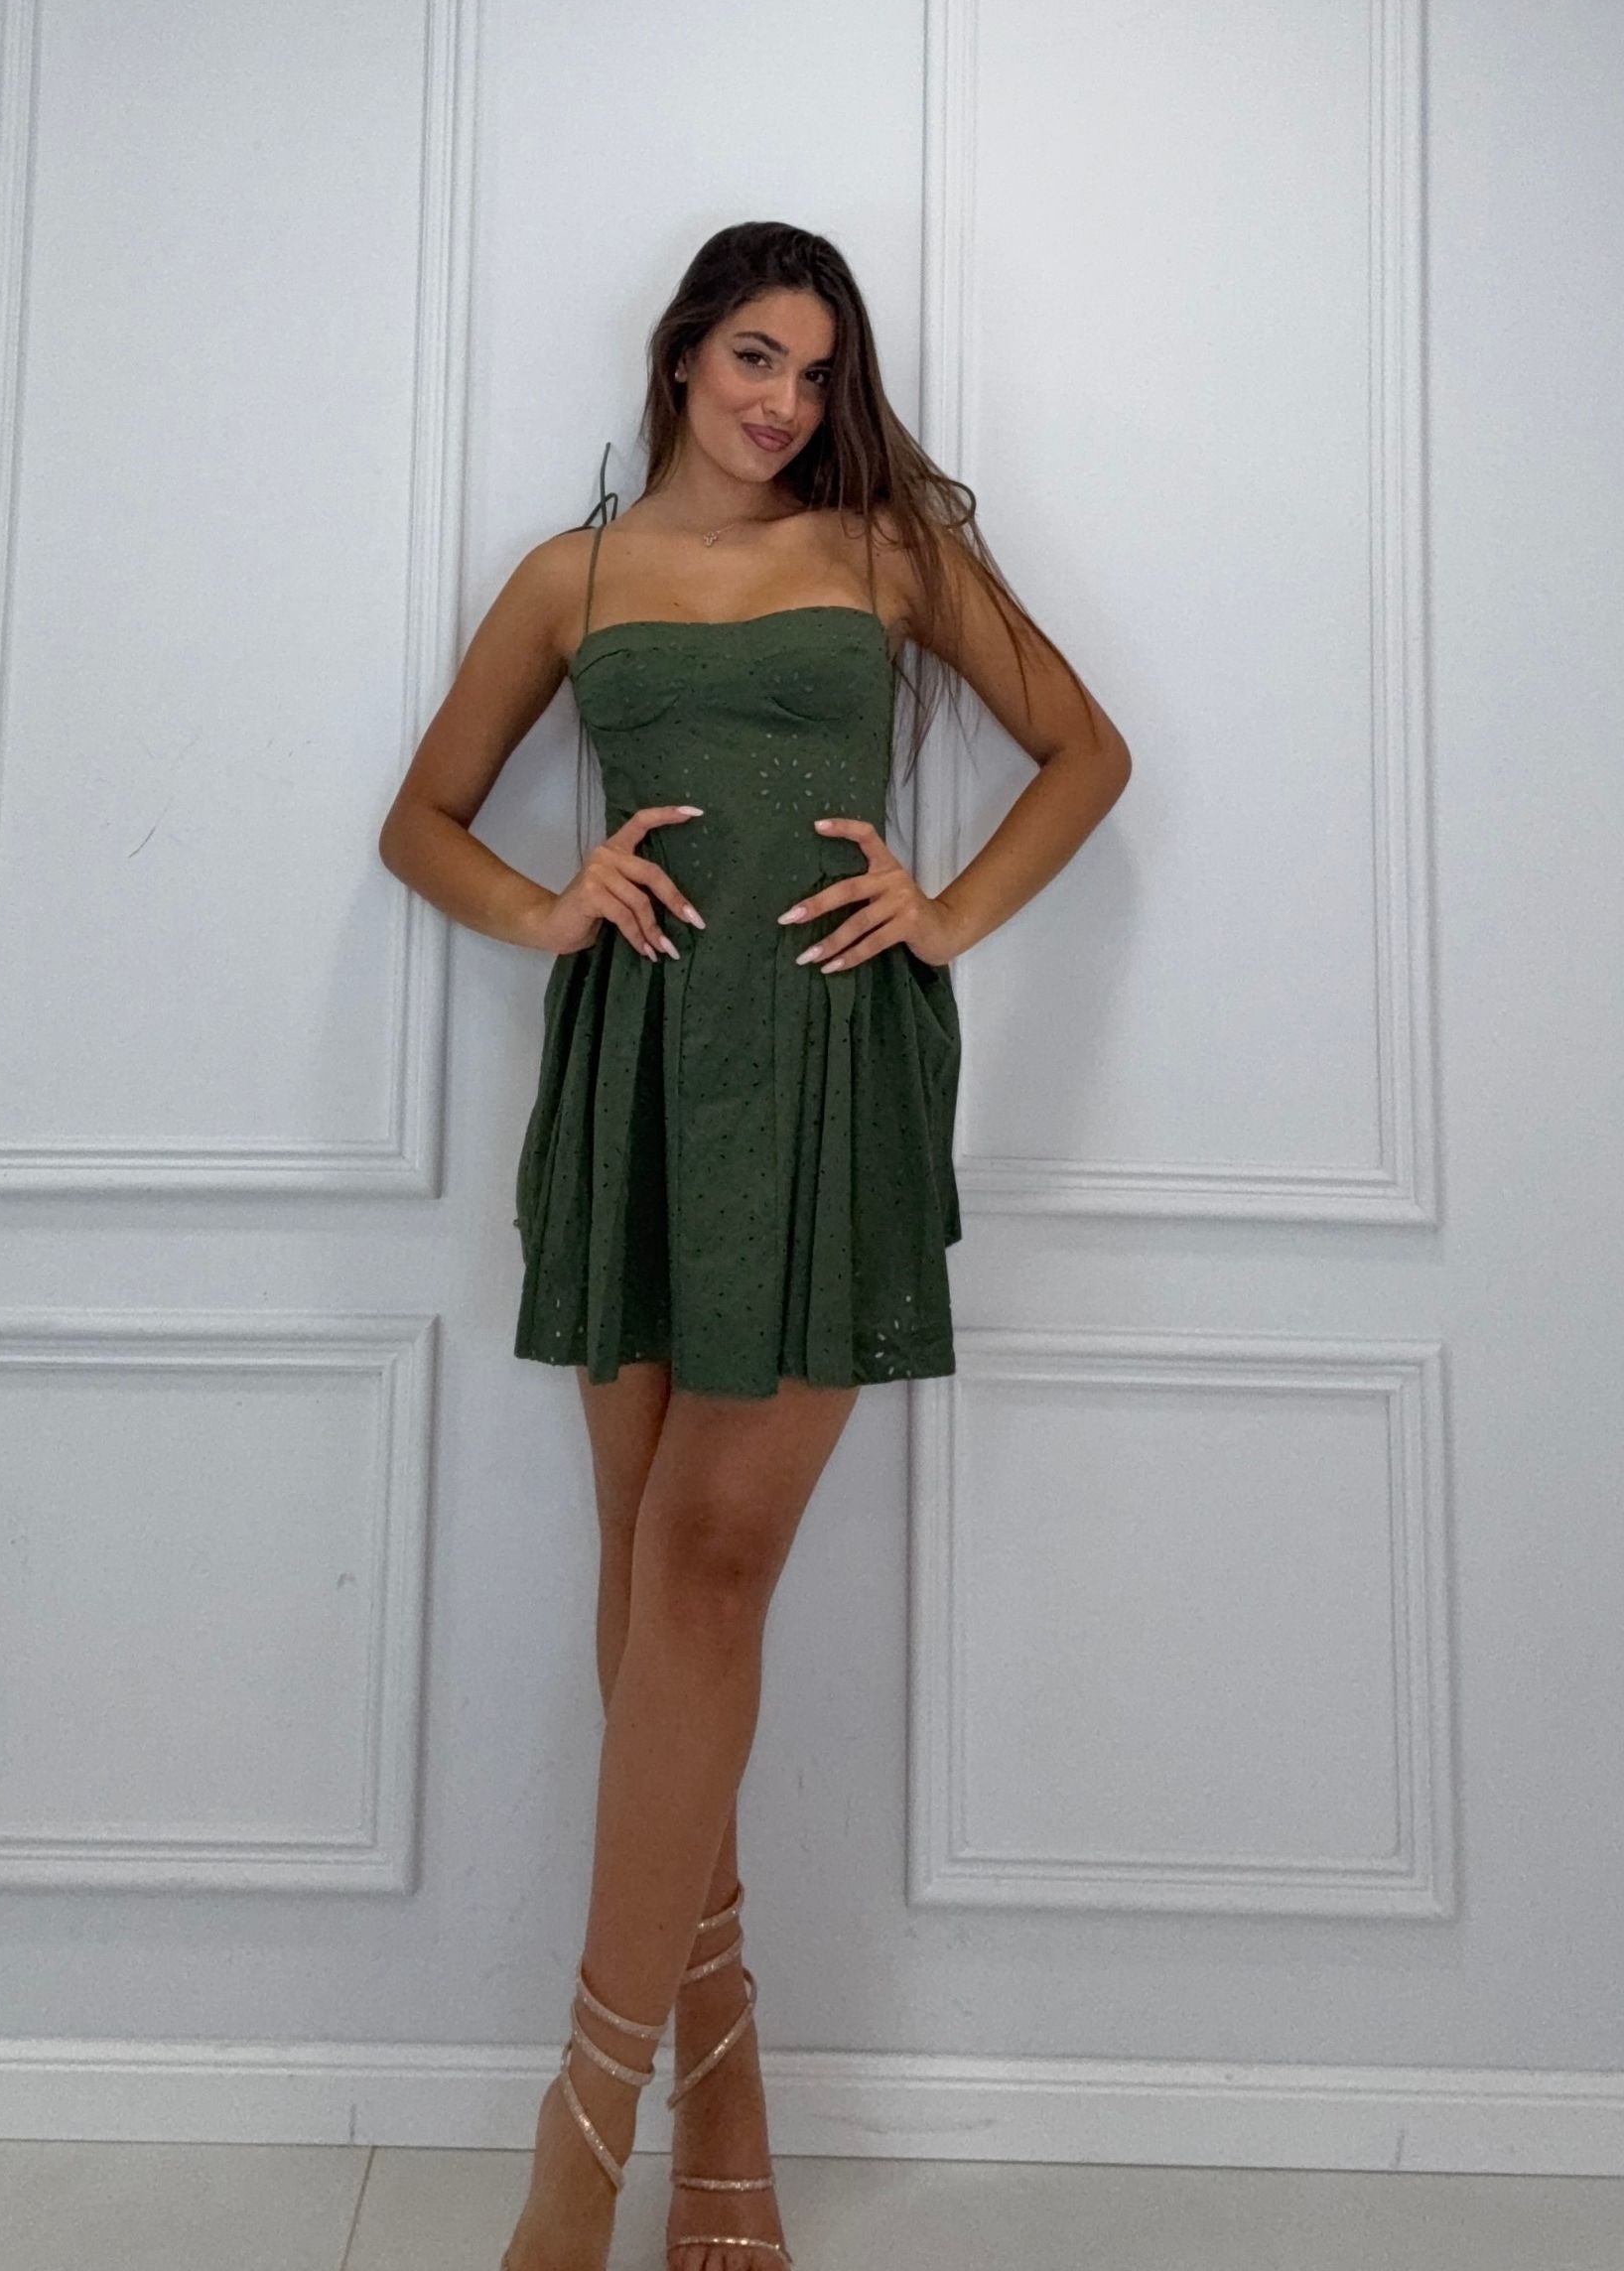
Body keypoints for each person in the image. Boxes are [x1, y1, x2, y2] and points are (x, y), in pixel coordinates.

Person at [379, 220, 1131, 2271]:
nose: (786, 403)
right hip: (635, 1083)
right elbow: (423, 816)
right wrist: (546, 905)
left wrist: (946, 913)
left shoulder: (890, 552)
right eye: (754, 360)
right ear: (682, 358)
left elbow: (1086, 750)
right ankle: (726, 2120)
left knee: (706, 1561)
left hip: (825, 1076)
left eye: (815, 372)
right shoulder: (570, 578)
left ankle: (575, 2147)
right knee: (648, 1581)